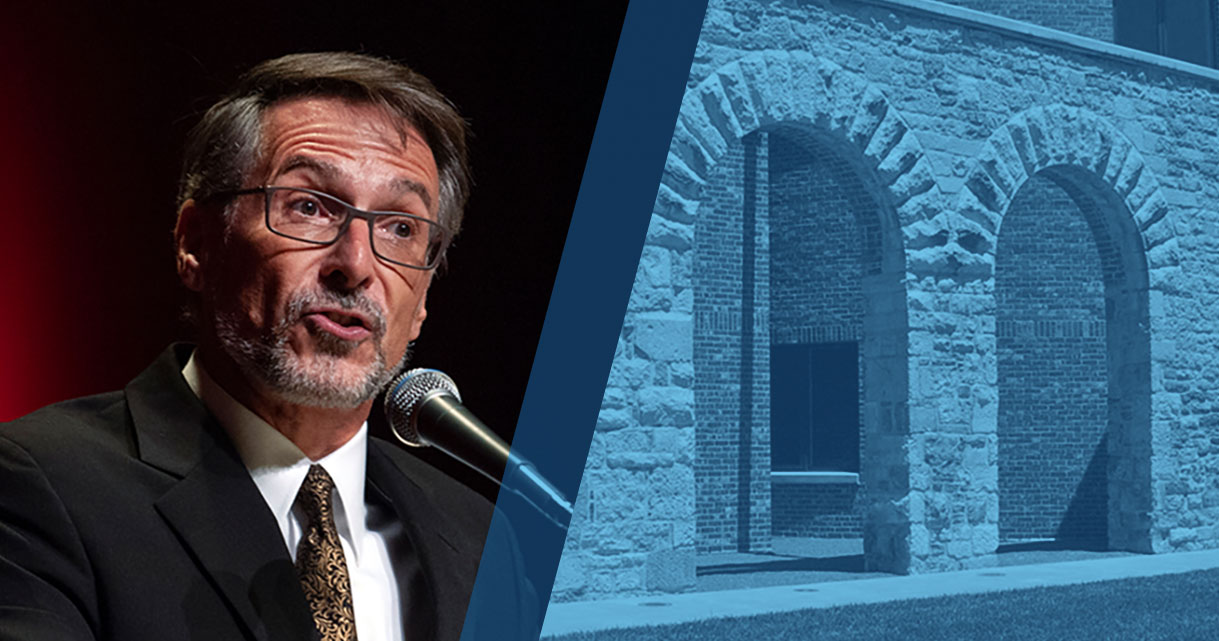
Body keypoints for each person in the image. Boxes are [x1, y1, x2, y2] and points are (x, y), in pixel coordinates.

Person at [0, 52, 533, 641]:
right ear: (196, 244)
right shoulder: (40, 485)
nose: (355, 265)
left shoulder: (483, 539)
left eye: (400, 227)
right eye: (308, 208)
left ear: (423, 298)